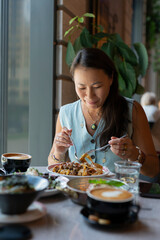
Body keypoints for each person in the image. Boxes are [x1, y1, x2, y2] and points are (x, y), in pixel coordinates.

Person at [48, 48, 159, 182]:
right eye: (81, 87)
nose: (89, 96)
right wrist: (58, 152)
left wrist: (134, 154)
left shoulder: (133, 110)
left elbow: (153, 170)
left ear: (111, 78)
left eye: (97, 86)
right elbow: (52, 165)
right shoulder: (66, 113)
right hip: (78, 195)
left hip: (117, 196)